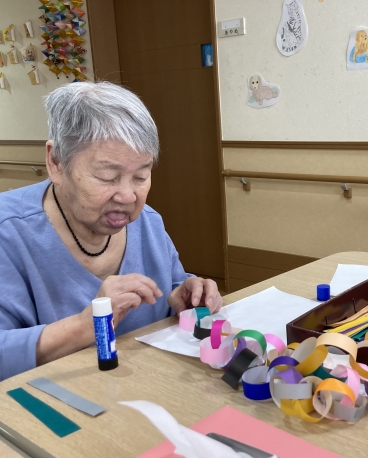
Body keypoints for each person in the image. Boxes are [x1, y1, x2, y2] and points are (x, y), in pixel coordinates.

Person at [0, 82, 223, 381]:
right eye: (107, 177)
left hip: (151, 387)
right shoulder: (8, 232)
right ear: (56, 162)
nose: (129, 196)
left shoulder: (148, 221)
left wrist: (184, 294)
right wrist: (86, 326)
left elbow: (172, 284)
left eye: (141, 176)